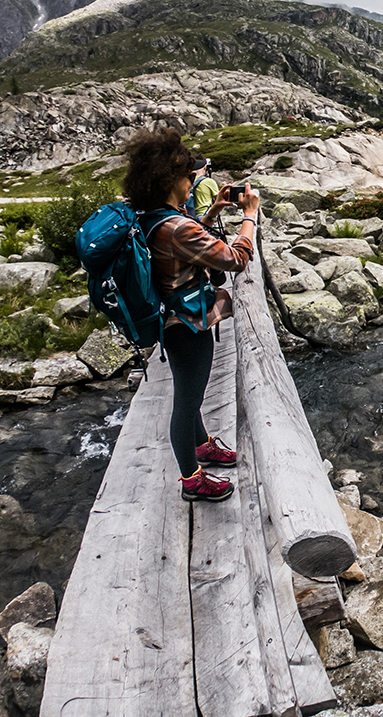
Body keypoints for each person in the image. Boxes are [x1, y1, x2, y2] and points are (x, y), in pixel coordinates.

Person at [122, 128, 261, 502]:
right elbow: (235, 259)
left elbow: (185, 235)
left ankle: (201, 445)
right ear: (171, 180)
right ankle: (192, 479)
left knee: (190, 391)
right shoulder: (177, 227)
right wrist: (250, 216)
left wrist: (214, 210)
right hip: (186, 320)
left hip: (169, 317)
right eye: (188, 176)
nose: (192, 181)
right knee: (187, 399)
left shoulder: (151, 215)